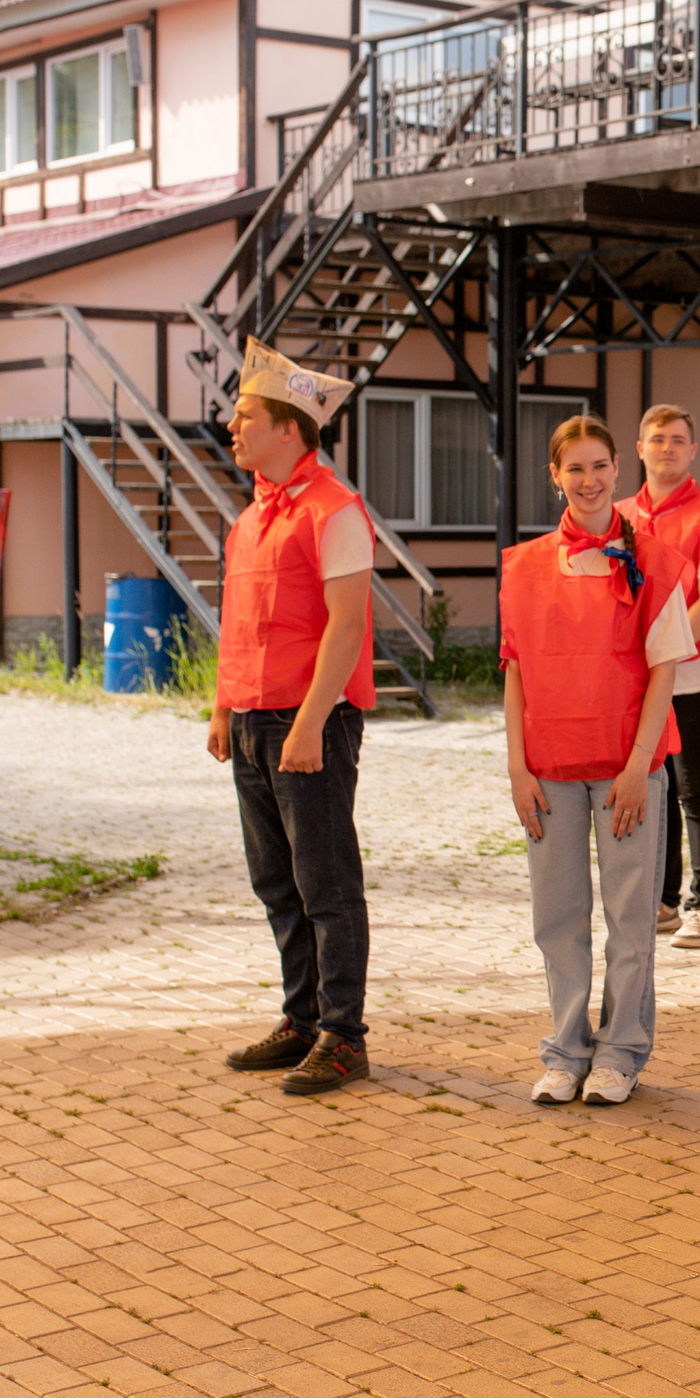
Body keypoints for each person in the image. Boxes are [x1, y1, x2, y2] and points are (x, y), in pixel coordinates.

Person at [502, 415, 696, 1109]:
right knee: (556, 918)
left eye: (599, 466)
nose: (589, 480)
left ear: (619, 468)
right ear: (555, 476)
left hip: (626, 770)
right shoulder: (523, 566)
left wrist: (641, 764)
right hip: (548, 769)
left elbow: (665, 668)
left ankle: (620, 1053)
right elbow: (515, 670)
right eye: (574, 468)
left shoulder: (656, 560)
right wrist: (516, 767)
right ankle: (565, 1051)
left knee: (630, 920)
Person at [211, 341, 378, 1097]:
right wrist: (223, 707)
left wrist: (311, 721)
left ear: (289, 427)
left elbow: (347, 625)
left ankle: (344, 1035)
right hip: (252, 720)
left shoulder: (334, 511)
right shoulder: (250, 517)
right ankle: (301, 1019)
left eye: (245, 415)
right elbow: (237, 620)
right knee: (277, 882)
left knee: (326, 884)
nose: (232, 426)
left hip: (309, 723)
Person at [621, 404, 700, 951]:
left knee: (697, 789)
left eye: (677, 440)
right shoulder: (619, 517)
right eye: (657, 439)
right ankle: (664, 902)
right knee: (656, 789)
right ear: (639, 449)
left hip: (699, 675)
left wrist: (661, 654)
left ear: (692, 451)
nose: (666, 448)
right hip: (639, 676)